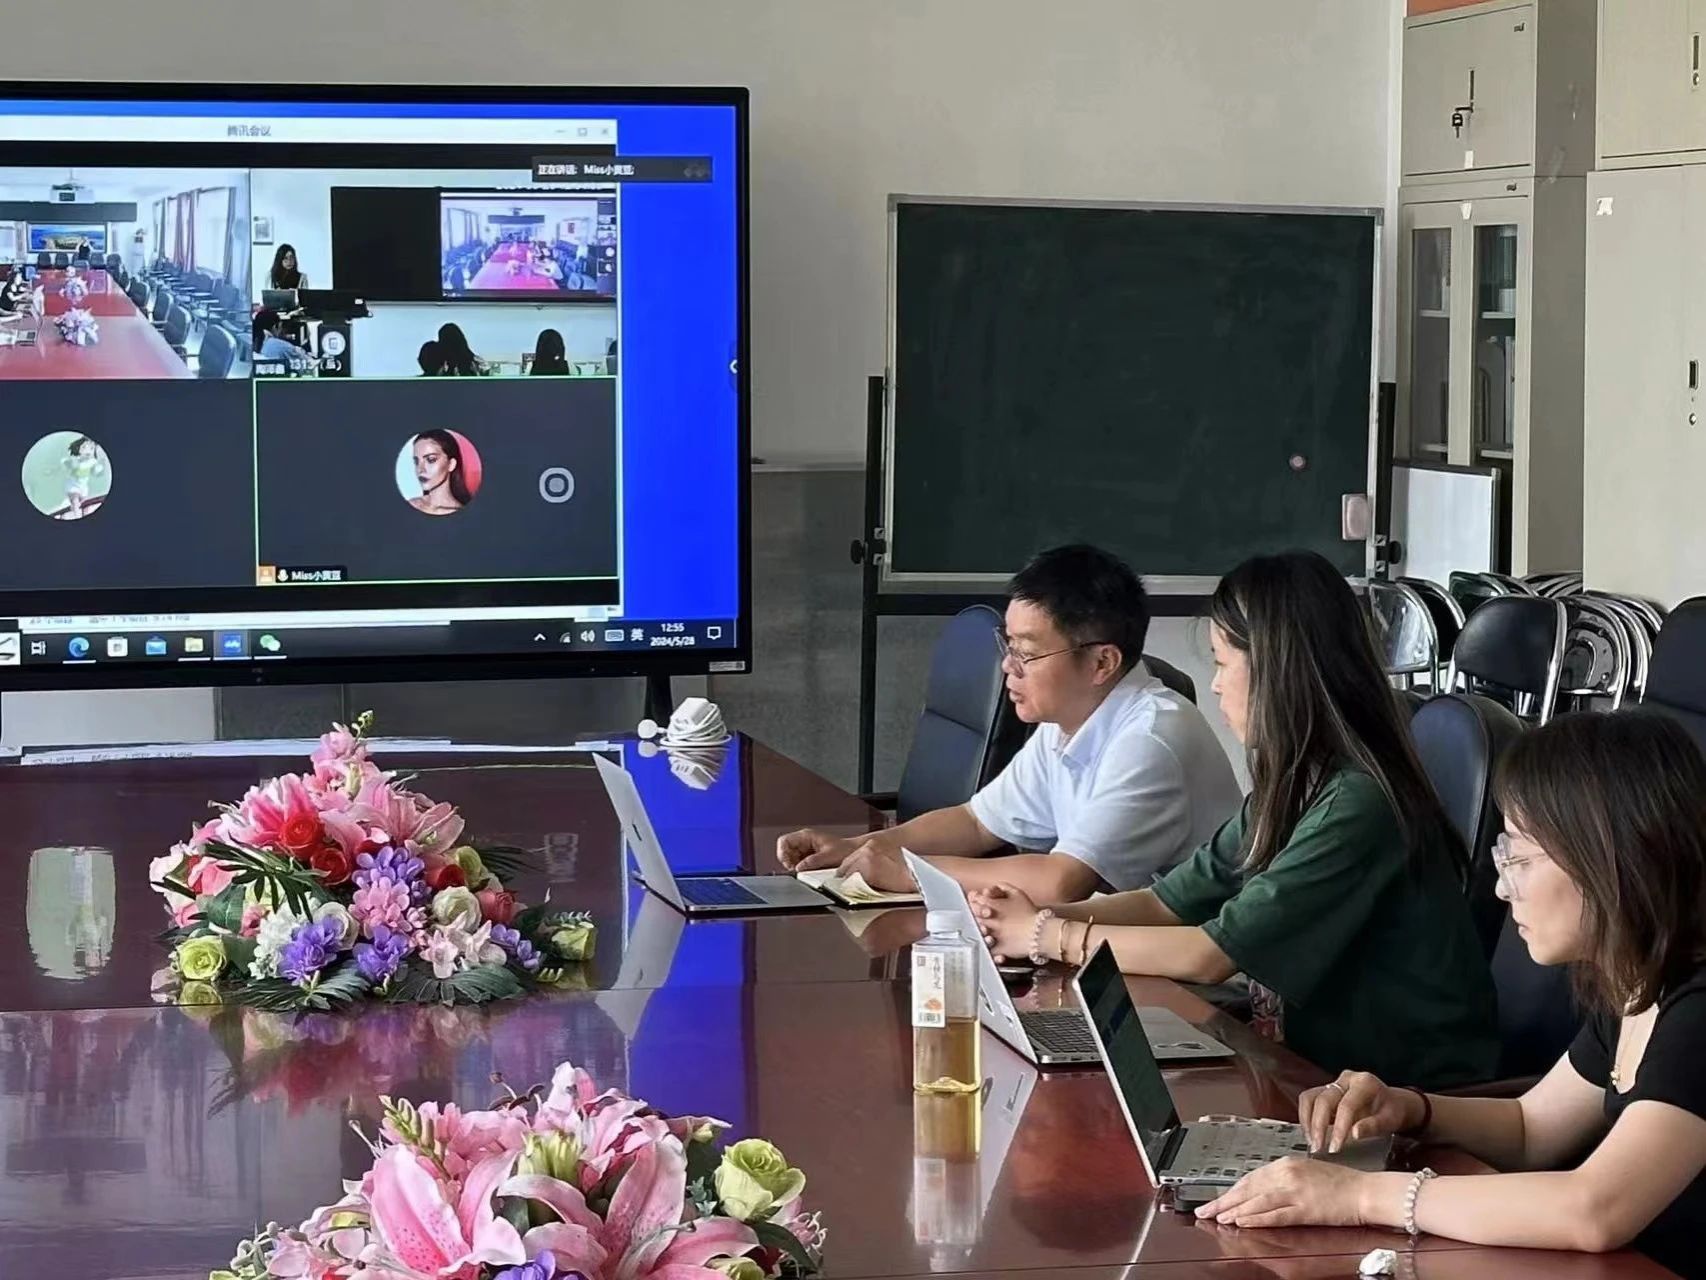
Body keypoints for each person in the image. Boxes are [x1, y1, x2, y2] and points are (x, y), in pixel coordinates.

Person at [1197, 711, 1706, 1275]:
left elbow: (1595, 1209)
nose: (1502, 887)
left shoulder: (1698, 1010)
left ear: (1609, 858)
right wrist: (1411, 1108)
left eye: (1520, 857)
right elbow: (1532, 1129)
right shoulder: (1636, 986)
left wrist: (1359, 1196)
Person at [972, 550, 1498, 1089]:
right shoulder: (1294, 785)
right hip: (1314, 1073)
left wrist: (1045, 934)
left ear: (1277, 671)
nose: (1215, 685)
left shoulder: (1357, 803)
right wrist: (1031, 918)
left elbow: (1210, 955)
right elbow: (1165, 904)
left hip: (1401, 1097)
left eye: (1222, 664)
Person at [778, 544, 1241, 903]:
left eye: (1027, 653)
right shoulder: (1068, 720)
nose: (1007, 667)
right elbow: (977, 822)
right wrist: (859, 848)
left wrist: (914, 871)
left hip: (1205, 975)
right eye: (1009, 646)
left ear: (1102, 662)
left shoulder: (1149, 740)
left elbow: (1062, 882)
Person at [408, 430, 472, 516]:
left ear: (451, 464)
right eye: (416, 462)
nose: (420, 469)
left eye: (431, 460)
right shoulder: (412, 504)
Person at [252, 308, 312, 373]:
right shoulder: (280, 346)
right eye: (281, 327)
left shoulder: (254, 345)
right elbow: (309, 365)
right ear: (275, 327)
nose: (282, 331)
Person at [61, 436, 108, 520]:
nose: (88, 451)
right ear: (79, 450)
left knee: (83, 501)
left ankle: (77, 511)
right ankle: (77, 516)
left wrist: (101, 465)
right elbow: (67, 462)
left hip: (83, 487)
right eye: (84, 448)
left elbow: (96, 472)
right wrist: (68, 463)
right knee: (75, 500)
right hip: (72, 485)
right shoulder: (76, 460)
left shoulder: (92, 461)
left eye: (91, 448)